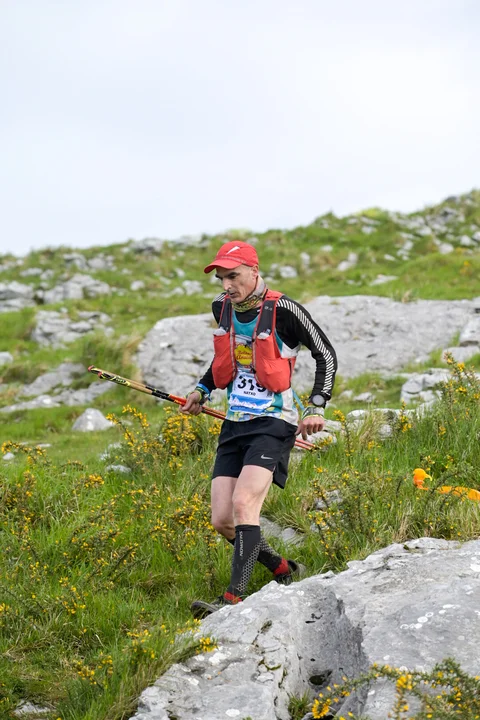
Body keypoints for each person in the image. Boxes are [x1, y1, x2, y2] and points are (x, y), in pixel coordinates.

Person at [181, 240, 337, 617]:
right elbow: (226, 358)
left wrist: (316, 405)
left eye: (233, 276)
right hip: (234, 423)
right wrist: (202, 390)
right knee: (222, 520)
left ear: (254, 271)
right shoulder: (222, 307)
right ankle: (283, 569)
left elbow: (326, 354)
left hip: (274, 422)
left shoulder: (284, 310)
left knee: (244, 504)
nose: (227, 285)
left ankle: (232, 600)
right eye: (221, 278)